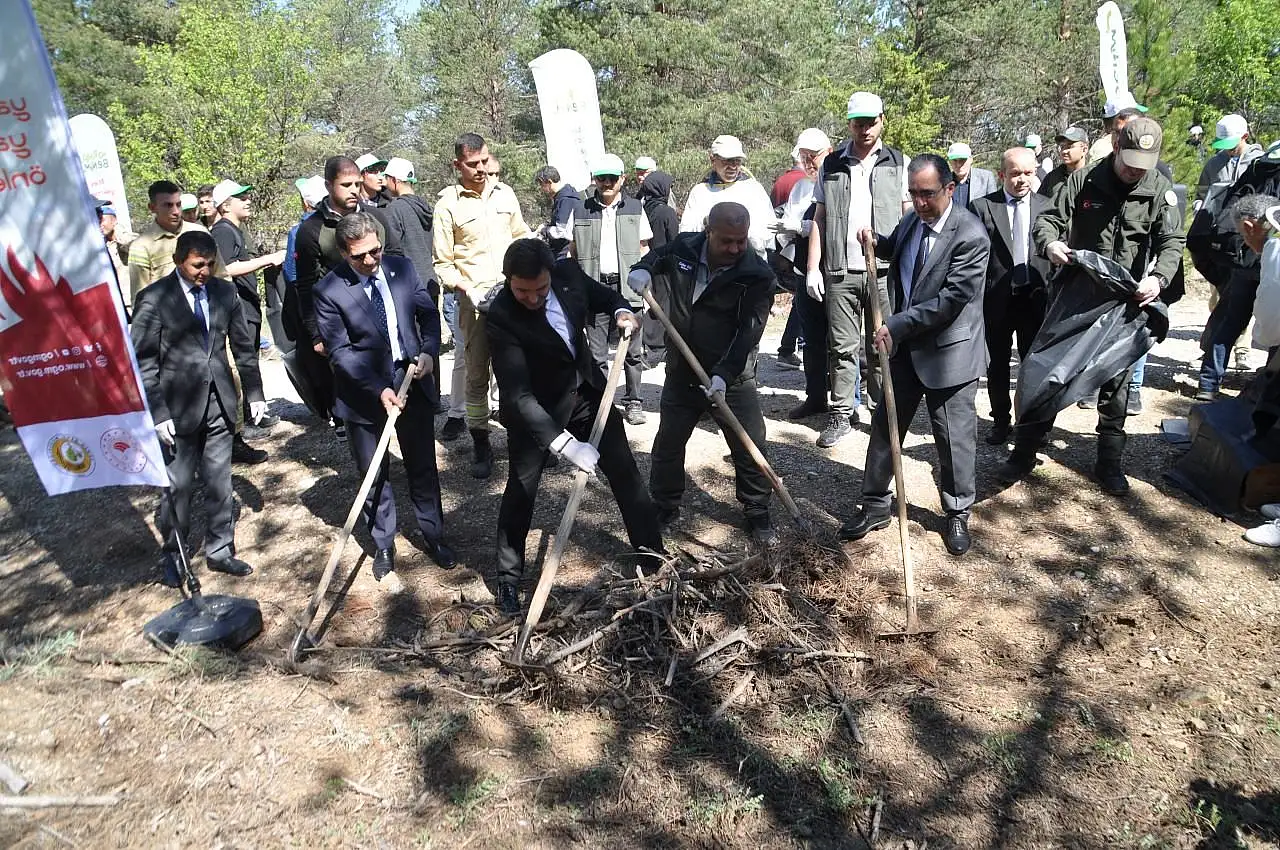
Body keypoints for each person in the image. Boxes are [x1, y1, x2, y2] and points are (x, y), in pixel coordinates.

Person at [1000, 116, 1185, 495]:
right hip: (1077, 297)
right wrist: (1050, 244)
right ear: (1116, 147)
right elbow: (1048, 220)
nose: (1135, 171)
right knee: (1048, 373)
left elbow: (1171, 241)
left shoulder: (1158, 188)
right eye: (1130, 161)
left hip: (1125, 302)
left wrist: (1158, 278)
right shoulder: (1083, 180)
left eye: (1143, 164)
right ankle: (1025, 451)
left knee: (1116, 383)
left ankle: (1109, 462)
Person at [487, 239, 662, 614]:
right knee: (522, 489)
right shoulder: (501, 315)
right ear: (508, 280)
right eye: (522, 291)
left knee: (625, 471)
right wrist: (566, 445)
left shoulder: (568, 275)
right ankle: (508, 578)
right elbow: (518, 395)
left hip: (587, 393)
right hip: (536, 411)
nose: (532, 298)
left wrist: (621, 311)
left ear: (551, 274)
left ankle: (653, 555)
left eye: (540, 289)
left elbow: (605, 297)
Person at [839, 154, 990, 556]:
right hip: (905, 348)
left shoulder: (971, 235)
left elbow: (950, 300)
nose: (920, 202)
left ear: (949, 189)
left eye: (928, 194)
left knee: (953, 438)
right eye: (913, 193)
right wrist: (877, 241)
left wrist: (897, 324)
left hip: (949, 353)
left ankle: (957, 512)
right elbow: (900, 251)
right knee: (885, 425)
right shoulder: (912, 220)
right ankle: (875, 504)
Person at [312, 213, 455, 581]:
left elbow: (427, 316)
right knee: (373, 472)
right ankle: (384, 543)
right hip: (364, 391)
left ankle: (434, 534)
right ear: (344, 252)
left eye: (375, 250)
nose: (370, 260)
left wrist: (428, 351)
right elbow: (340, 352)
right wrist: (378, 390)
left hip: (411, 379)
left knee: (422, 464)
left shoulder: (401, 269)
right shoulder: (329, 291)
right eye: (359, 255)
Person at [628, 202, 780, 547]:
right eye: (727, 240)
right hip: (682, 370)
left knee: (749, 444)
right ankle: (665, 504)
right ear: (708, 230)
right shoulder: (684, 247)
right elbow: (657, 256)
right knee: (668, 443)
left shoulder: (756, 274)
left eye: (741, 240)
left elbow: (749, 333)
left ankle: (757, 509)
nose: (735, 248)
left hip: (731, 377)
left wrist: (724, 375)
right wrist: (643, 269)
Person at [131, 231, 268, 585]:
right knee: (178, 485)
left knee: (219, 480)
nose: (204, 271)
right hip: (176, 409)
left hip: (220, 403)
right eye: (196, 265)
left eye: (209, 264)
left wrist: (254, 393)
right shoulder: (154, 298)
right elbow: (143, 362)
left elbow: (243, 348)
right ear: (179, 261)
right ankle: (175, 554)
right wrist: (158, 412)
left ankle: (220, 550)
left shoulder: (225, 293)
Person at [807, 91, 910, 446]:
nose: (864, 129)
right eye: (858, 123)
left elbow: (909, 217)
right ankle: (841, 413)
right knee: (841, 347)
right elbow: (819, 217)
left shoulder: (899, 162)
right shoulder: (832, 164)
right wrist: (813, 267)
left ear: (882, 120)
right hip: (841, 269)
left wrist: (909, 265)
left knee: (883, 345)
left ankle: (882, 414)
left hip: (884, 270)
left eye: (871, 122)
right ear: (849, 124)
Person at [433, 133, 533, 478]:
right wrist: (466, 288)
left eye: (485, 161)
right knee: (477, 375)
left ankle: (525, 439)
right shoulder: (448, 205)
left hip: (514, 299)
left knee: (520, 372)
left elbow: (521, 236)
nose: (481, 169)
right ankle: (481, 443)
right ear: (457, 165)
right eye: (472, 164)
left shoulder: (505, 194)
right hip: (474, 305)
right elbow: (442, 264)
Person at [290, 155, 402, 441]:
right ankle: (356, 432)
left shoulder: (377, 217)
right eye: (345, 184)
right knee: (352, 380)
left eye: (356, 183)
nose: (354, 190)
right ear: (329, 185)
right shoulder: (311, 230)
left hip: (383, 311)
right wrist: (316, 333)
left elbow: (397, 261)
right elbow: (306, 285)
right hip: (341, 319)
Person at [970, 148, 1051, 446]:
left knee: (1034, 366)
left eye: (1028, 173)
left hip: (1035, 299)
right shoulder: (982, 207)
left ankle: (1031, 425)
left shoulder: (1047, 207)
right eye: (1015, 173)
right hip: (997, 300)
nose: (1022, 180)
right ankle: (1000, 421)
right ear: (1002, 174)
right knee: (998, 365)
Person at [569, 153, 652, 425]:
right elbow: (572, 250)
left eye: (612, 178)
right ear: (594, 179)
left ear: (622, 179)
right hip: (594, 287)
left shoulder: (636, 208)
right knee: (597, 354)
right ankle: (602, 404)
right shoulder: (580, 208)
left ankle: (634, 401)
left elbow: (644, 248)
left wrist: (645, 287)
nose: (606, 183)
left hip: (627, 287)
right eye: (601, 178)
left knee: (633, 352)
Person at [775, 128, 834, 420]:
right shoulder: (800, 187)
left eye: (814, 156)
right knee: (811, 338)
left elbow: (836, 225)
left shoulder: (838, 181)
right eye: (804, 157)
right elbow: (790, 221)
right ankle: (815, 396)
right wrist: (786, 229)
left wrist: (804, 227)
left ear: (828, 153)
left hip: (833, 270)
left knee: (839, 339)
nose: (809, 163)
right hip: (803, 269)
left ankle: (846, 403)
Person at [1197, 194, 1277, 400]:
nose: (1245, 241)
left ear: (1250, 227)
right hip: (1248, 273)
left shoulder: (1273, 250)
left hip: (1244, 271)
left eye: (1242, 234)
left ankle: (1208, 385)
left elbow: (1271, 322)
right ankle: (1270, 389)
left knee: (1229, 324)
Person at [209, 179, 286, 368]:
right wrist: (268, 259)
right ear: (225, 206)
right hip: (239, 311)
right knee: (245, 366)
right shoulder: (223, 231)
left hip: (249, 310)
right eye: (241, 198)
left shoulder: (234, 230)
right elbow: (227, 268)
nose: (248, 201)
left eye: (247, 197)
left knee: (251, 363)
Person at [127, 180, 223, 305]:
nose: (176, 211)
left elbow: (221, 274)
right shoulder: (141, 246)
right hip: (169, 313)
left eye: (178, 204)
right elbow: (140, 298)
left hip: (210, 309)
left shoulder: (200, 232)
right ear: (152, 207)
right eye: (168, 205)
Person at [678, 135, 777, 252]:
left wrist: (747, 239)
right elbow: (687, 232)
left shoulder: (754, 189)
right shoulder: (700, 192)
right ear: (713, 160)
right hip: (710, 258)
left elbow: (768, 228)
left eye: (737, 161)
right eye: (727, 161)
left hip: (749, 257)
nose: (733, 167)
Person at [534, 165, 580, 257]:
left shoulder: (566, 200)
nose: (541, 189)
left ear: (549, 182)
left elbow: (560, 231)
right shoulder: (563, 197)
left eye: (542, 185)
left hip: (565, 251)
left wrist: (544, 230)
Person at [1038, 127, 1089, 200]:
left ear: (1084, 150)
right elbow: (1039, 203)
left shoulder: (1092, 177)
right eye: (1062, 147)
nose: (1064, 151)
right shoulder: (1052, 178)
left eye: (1069, 146)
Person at [946, 142, 997, 209]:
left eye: (962, 160)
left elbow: (994, 208)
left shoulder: (986, 178)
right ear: (949, 161)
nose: (958, 165)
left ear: (971, 160)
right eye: (954, 160)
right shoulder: (944, 181)